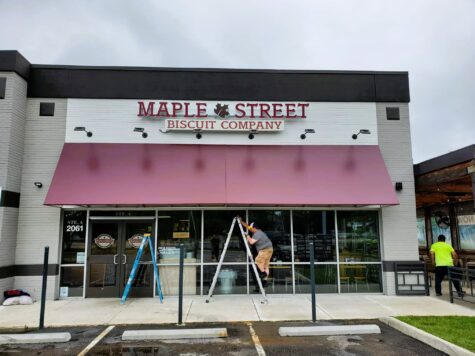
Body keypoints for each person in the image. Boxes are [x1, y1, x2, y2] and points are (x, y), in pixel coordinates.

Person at [240, 218, 273, 287]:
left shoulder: (257, 233)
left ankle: (263, 273)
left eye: (251, 229)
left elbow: (251, 242)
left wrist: (247, 236)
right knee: (265, 265)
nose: (251, 230)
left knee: (257, 260)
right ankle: (265, 280)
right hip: (269, 249)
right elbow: (248, 227)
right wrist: (241, 222)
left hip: (265, 250)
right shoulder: (259, 232)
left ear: (255, 228)